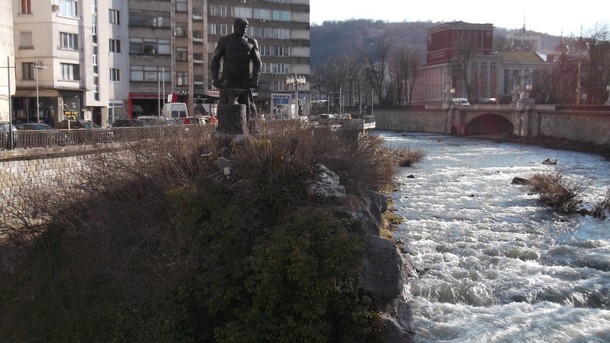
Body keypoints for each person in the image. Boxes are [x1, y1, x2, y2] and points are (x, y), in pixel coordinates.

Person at [211, 18, 261, 133]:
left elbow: (257, 62)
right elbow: (215, 60)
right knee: (225, 105)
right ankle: (222, 128)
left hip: (244, 79)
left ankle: (250, 129)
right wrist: (215, 79)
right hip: (228, 79)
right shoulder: (225, 41)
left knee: (248, 108)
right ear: (235, 27)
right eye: (241, 27)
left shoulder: (251, 42)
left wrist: (255, 78)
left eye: (245, 27)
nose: (244, 30)